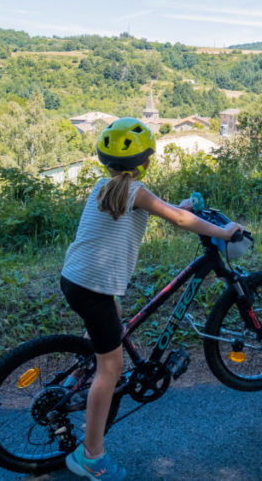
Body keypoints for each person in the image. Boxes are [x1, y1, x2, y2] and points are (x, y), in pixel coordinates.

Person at [60, 117, 241, 479]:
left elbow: (161, 209)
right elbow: (176, 219)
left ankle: (77, 377)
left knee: (109, 327)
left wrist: (184, 204)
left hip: (76, 279)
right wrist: (223, 230)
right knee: (112, 368)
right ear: (145, 161)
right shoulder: (135, 191)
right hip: (94, 288)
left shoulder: (104, 186)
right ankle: (91, 456)